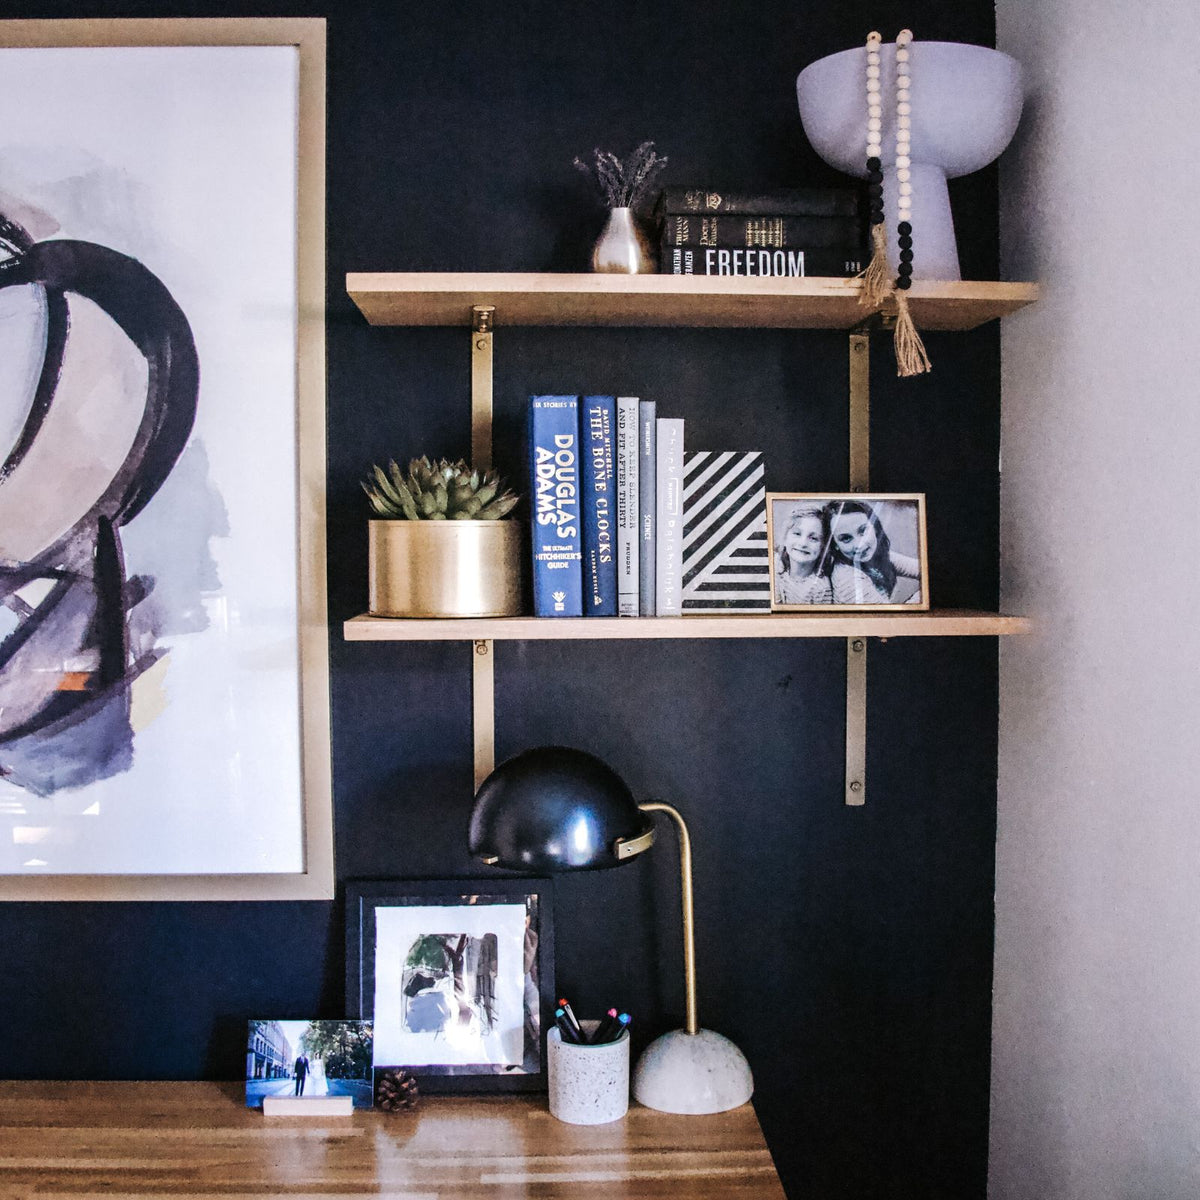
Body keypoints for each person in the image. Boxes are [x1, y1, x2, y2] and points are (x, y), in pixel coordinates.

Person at [826, 500, 921, 604]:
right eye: (846, 538)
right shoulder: (847, 582)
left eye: (863, 531)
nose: (860, 545)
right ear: (835, 545)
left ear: (874, 527)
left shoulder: (877, 555)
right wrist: (925, 595)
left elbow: (924, 570)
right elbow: (886, 619)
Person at [774, 502, 833, 604]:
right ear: (785, 538)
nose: (803, 543)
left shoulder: (821, 589)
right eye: (797, 533)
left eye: (813, 538)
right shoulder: (776, 565)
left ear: (823, 547)